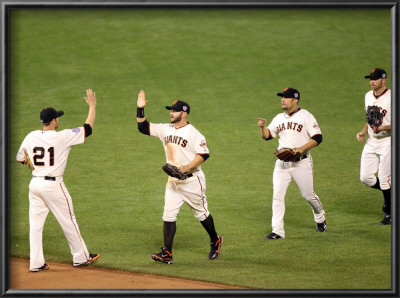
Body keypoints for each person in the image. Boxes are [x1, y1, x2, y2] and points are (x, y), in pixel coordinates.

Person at [16, 89, 100, 272]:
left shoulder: (30, 136)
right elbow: (88, 128)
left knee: (35, 226)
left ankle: (36, 263)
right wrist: (92, 106)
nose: (58, 120)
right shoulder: (63, 136)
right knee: (68, 219)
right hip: (53, 185)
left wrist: (34, 165)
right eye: (57, 118)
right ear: (53, 121)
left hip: (35, 184)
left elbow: (20, 158)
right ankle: (81, 257)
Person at [136, 90, 222, 264]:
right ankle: (167, 253)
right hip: (173, 181)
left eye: (174, 111)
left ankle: (215, 240)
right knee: (168, 215)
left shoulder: (193, 133)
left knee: (201, 214)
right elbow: (143, 127)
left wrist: (187, 167)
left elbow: (204, 154)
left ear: (184, 113)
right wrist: (140, 109)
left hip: (192, 181)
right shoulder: (165, 129)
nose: (171, 113)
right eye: (170, 110)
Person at [257, 87, 326, 239]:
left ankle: (320, 216)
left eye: (286, 97)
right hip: (282, 164)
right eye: (282, 97)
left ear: (295, 100)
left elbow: (318, 137)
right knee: (277, 196)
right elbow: (268, 136)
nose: (282, 99)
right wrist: (263, 128)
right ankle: (277, 231)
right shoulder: (279, 118)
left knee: (308, 195)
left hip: (302, 163)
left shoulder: (306, 116)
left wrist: (301, 148)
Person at [356, 68, 391, 225]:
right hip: (371, 141)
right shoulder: (368, 96)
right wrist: (363, 131)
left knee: (384, 179)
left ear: (383, 80)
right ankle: (391, 192)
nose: (371, 81)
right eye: (370, 78)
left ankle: (390, 212)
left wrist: (383, 128)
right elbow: (370, 118)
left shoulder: (392, 97)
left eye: (375, 79)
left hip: (388, 141)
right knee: (366, 177)